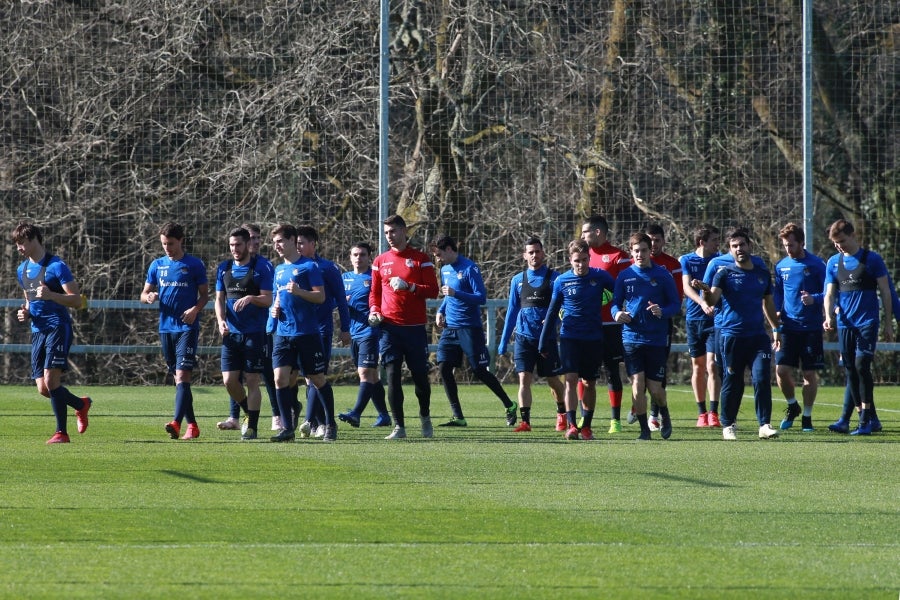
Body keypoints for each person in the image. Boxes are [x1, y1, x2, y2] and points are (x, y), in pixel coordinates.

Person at [697, 227, 781, 441]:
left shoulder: (762, 274)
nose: (739, 249)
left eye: (742, 245)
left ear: (749, 246)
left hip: (757, 337)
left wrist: (775, 328)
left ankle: (764, 424)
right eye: (734, 246)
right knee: (733, 380)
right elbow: (712, 301)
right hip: (731, 336)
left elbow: (768, 303)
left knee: (762, 378)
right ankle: (728, 424)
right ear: (729, 250)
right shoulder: (723, 274)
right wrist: (706, 291)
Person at [12, 222, 92, 444]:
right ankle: (81, 404)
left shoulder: (57, 266)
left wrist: (52, 296)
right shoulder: (22, 270)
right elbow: (29, 299)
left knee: (51, 379)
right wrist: (25, 312)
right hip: (38, 330)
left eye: (22, 243)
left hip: (58, 327)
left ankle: (61, 433)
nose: (19, 248)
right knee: (43, 389)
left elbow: (77, 300)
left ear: (34, 240)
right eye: (16, 244)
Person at [430, 235, 517, 428]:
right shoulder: (445, 270)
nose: (438, 259)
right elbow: (447, 295)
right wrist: (440, 311)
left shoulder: (470, 268)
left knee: (479, 371)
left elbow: (481, 297)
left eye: (439, 254)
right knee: (444, 367)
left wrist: (456, 293)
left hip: (469, 328)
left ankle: (509, 405)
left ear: (450, 250)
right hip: (450, 328)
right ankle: (458, 416)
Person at [369, 215, 439, 440]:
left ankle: (425, 417)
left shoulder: (420, 259)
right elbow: (375, 292)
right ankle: (399, 426)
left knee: (420, 377)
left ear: (403, 231)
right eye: (387, 232)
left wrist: (410, 286)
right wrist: (374, 310)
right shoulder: (380, 261)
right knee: (392, 375)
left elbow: (432, 290)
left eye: (393, 231)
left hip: (415, 327)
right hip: (390, 328)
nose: (389, 236)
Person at [268, 224, 339, 442]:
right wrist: (274, 309)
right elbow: (275, 297)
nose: (277, 246)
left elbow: (320, 297)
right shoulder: (279, 270)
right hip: (283, 333)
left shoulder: (310, 267)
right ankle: (287, 429)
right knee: (279, 378)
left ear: (292, 240)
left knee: (316, 378)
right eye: (274, 242)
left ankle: (330, 424)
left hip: (307, 333)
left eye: (280, 241)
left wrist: (299, 292)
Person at [823, 219, 894, 436]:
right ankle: (867, 417)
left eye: (842, 241)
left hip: (867, 322)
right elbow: (829, 293)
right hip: (845, 324)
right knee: (850, 369)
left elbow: (885, 291)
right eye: (835, 243)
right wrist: (828, 316)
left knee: (862, 365)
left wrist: (889, 322)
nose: (839, 246)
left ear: (853, 236)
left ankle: (864, 419)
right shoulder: (833, 262)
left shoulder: (872, 260)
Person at [539, 239, 615, 441]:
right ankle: (572, 426)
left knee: (589, 382)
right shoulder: (562, 281)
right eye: (576, 261)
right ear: (570, 260)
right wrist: (544, 340)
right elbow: (553, 311)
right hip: (569, 337)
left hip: (593, 337)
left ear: (590, 258)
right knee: (571, 380)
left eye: (584, 260)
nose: (580, 264)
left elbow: (619, 293)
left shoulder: (600, 277)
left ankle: (587, 426)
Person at [141, 222, 209, 440]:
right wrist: (149, 297)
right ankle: (193, 426)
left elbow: (206, 295)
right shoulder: (157, 265)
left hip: (187, 327)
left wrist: (195, 309)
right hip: (165, 328)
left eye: (170, 243)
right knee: (179, 380)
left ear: (181, 240)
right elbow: (144, 294)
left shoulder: (194, 265)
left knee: (182, 375)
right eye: (163, 244)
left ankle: (176, 423)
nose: (167, 248)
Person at [612, 233, 681, 440]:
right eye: (636, 251)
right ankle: (644, 430)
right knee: (637, 384)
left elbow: (675, 304)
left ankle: (664, 413)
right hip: (631, 337)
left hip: (656, 339)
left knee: (655, 388)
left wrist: (663, 312)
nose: (640, 254)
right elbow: (615, 302)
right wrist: (617, 313)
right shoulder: (624, 276)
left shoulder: (662, 275)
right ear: (631, 252)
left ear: (649, 250)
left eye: (643, 250)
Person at [216, 223, 282, 433]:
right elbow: (219, 299)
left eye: (238, 244)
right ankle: (248, 412)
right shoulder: (224, 268)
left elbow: (268, 299)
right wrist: (220, 320)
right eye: (231, 245)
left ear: (247, 245)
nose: (234, 249)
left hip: (254, 332)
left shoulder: (260, 267)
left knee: (253, 379)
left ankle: (252, 426)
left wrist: (251, 298)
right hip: (231, 334)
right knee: (229, 381)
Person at [497, 237, 566, 432]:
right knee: (523, 378)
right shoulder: (517, 280)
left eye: (538, 251)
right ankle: (525, 421)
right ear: (525, 255)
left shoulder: (555, 279)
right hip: (523, 337)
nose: (534, 255)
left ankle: (562, 414)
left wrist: (555, 320)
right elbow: (511, 312)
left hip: (547, 339)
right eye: (531, 252)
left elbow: (564, 307)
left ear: (543, 253)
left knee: (552, 380)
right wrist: (503, 341)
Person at [295, 225, 351, 438]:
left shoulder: (327, 268)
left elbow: (341, 301)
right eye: (296, 243)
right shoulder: (293, 268)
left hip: (321, 330)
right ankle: (318, 422)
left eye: (301, 243)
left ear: (313, 244)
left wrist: (345, 329)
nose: (298, 247)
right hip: (298, 331)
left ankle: (318, 423)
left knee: (316, 377)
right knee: (307, 379)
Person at [772, 223, 826, 432]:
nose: (788, 249)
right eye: (785, 245)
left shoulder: (816, 265)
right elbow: (777, 295)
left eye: (792, 245)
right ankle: (793, 406)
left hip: (811, 328)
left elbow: (830, 292)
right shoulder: (781, 266)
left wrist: (815, 299)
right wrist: (776, 316)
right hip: (788, 327)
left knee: (809, 374)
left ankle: (807, 416)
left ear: (802, 242)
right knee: (781, 370)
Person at [580, 215, 631, 434]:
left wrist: (615, 305)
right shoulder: (583, 256)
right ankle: (584, 419)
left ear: (598, 232)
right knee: (585, 375)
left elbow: (628, 287)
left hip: (611, 324)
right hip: (587, 324)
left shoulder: (619, 256)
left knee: (612, 371)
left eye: (585, 232)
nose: (582, 236)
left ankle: (615, 421)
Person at [337, 242, 392, 428]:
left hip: (371, 332)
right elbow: (332, 302)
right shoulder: (343, 278)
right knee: (373, 376)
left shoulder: (374, 278)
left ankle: (356, 414)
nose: (358, 258)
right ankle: (384, 415)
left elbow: (385, 302)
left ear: (369, 257)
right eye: (355, 254)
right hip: (353, 333)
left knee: (365, 373)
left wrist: (379, 315)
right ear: (350, 257)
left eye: (362, 254)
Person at [678, 224, 722, 427]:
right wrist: (702, 302)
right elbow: (686, 287)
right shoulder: (686, 260)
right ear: (702, 242)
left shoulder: (719, 260)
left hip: (715, 320)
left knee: (713, 365)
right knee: (698, 366)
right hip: (694, 320)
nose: (717, 244)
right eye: (714, 240)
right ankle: (701, 413)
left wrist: (710, 301)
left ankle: (714, 412)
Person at [641, 224, 684, 430]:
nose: (653, 244)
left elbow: (676, 298)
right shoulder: (635, 263)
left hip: (661, 325)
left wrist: (662, 311)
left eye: (657, 240)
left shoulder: (671, 265)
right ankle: (637, 405)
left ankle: (654, 414)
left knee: (657, 372)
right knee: (637, 372)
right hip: (637, 326)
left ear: (663, 241)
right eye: (650, 240)